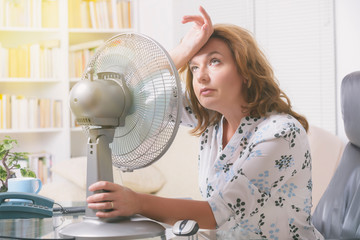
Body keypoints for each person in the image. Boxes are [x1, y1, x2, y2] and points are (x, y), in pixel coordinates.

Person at [87, 6, 324, 239]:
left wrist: (136, 201)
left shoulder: (280, 133)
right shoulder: (212, 119)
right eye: (194, 67)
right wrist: (183, 50)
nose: (200, 76)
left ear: (246, 72)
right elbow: (133, 92)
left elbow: (217, 213)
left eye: (214, 62)